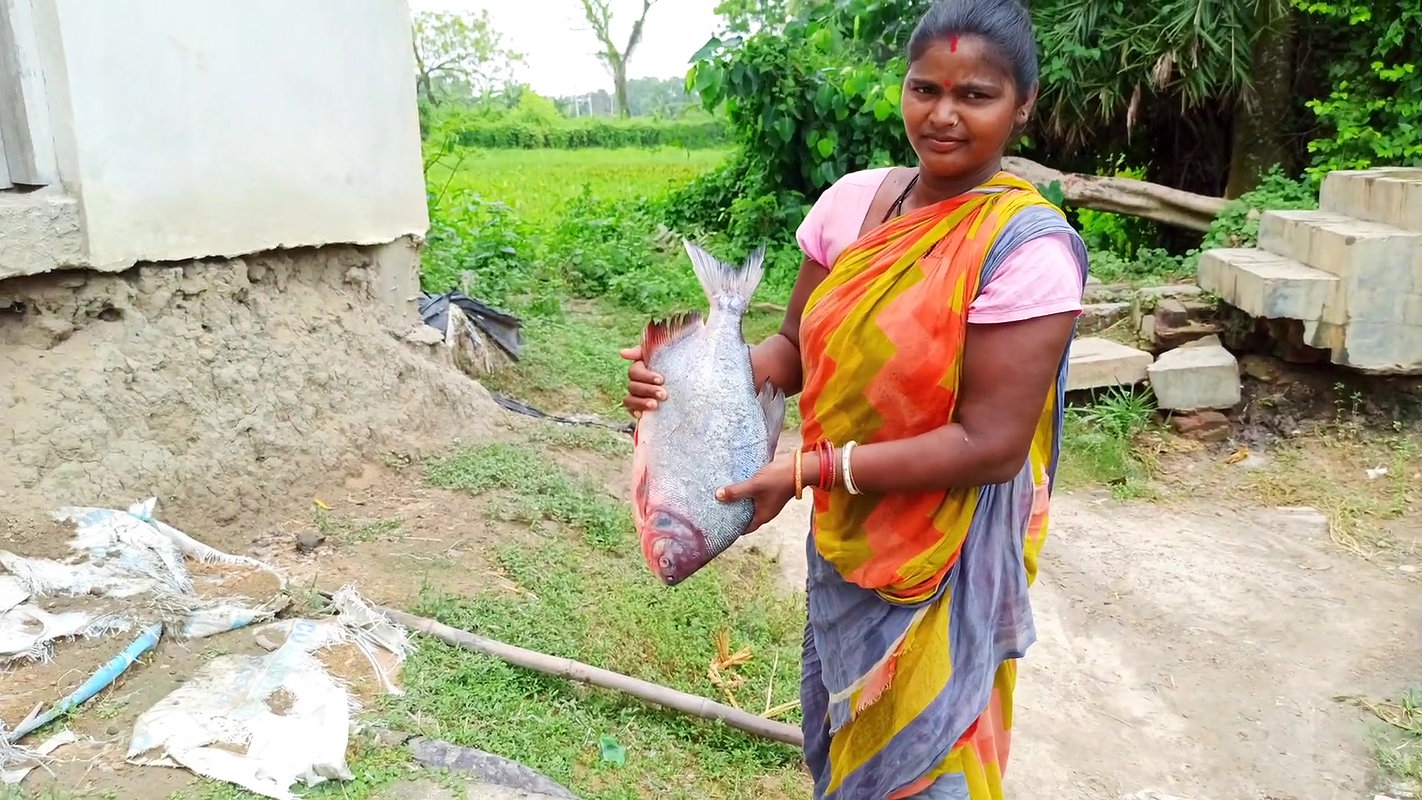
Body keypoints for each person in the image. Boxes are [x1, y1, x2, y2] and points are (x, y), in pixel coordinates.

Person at [621, 0, 1087, 796]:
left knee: (928, 766)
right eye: (923, 88)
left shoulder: (1029, 250)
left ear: (1024, 105)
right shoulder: (851, 203)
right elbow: (792, 351)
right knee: (839, 749)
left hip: (946, 554)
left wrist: (808, 471)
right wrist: (683, 385)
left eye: (975, 95)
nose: (942, 115)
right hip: (847, 543)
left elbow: (992, 444)